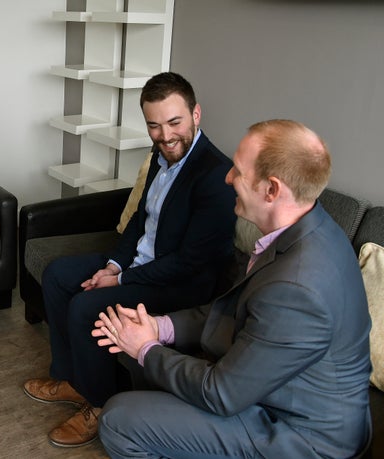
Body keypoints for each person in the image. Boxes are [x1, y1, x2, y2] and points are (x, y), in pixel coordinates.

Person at [94, 119, 372, 459]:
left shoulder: (298, 287)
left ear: (271, 190)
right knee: (134, 355)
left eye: (237, 171)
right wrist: (159, 327)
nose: (227, 177)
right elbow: (236, 307)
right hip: (276, 394)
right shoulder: (308, 228)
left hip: (300, 437)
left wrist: (146, 348)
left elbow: (222, 393)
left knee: (119, 419)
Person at [23, 72, 237, 448]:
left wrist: (120, 282)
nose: (165, 135)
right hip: (140, 264)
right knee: (58, 274)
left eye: (174, 122)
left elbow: (191, 263)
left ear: (196, 114)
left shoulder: (215, 175)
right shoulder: (161, 155)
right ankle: (72, 378)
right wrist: (114, 267)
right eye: (154, 126)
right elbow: (140, 219)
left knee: (87, 306)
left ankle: (102, 405)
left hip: (181, 285)